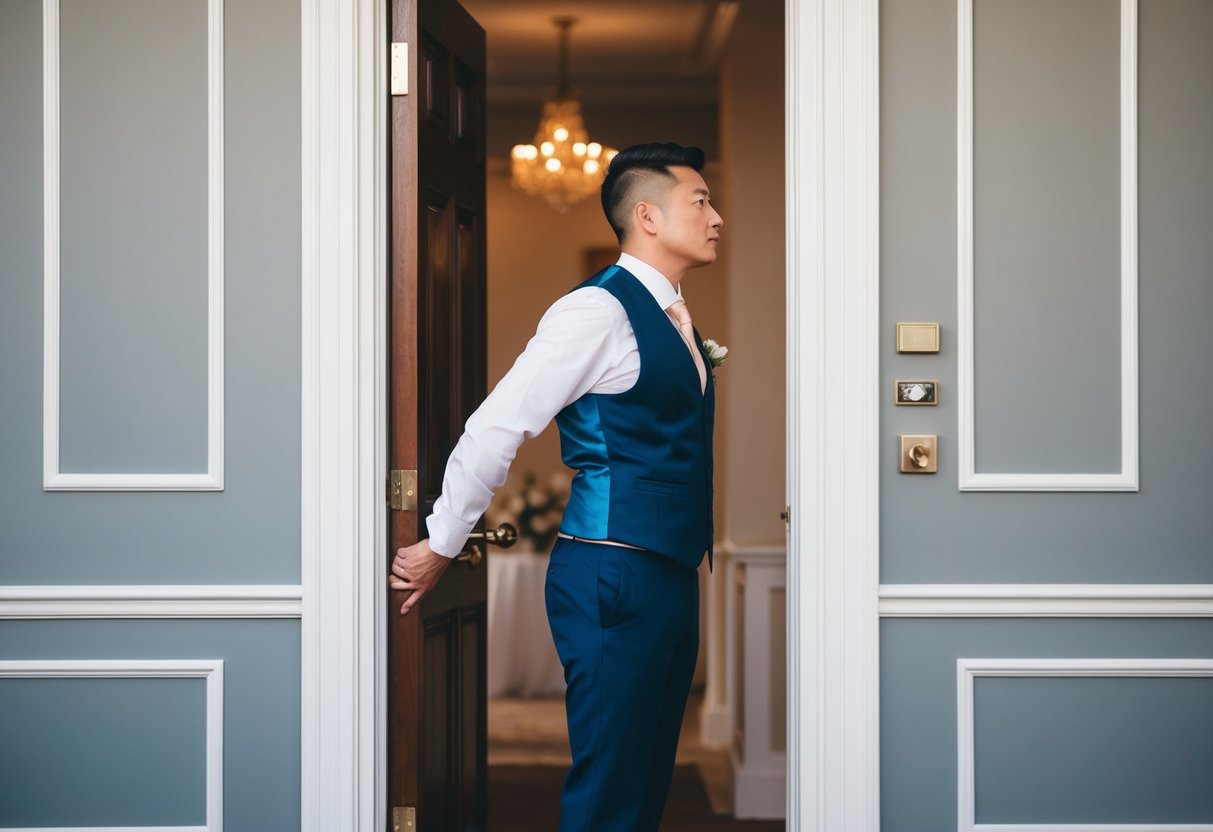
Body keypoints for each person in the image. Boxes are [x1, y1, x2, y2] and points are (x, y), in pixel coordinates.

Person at [389, 142, 723, 831]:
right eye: (700, 202)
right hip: (612, 573)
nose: (716, 217)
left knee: (644, 785)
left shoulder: (675, 315)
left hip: (671, 571)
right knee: (609, 791)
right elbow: (497, 424)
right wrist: (443, 540)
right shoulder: (596, 311)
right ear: (647, 217)